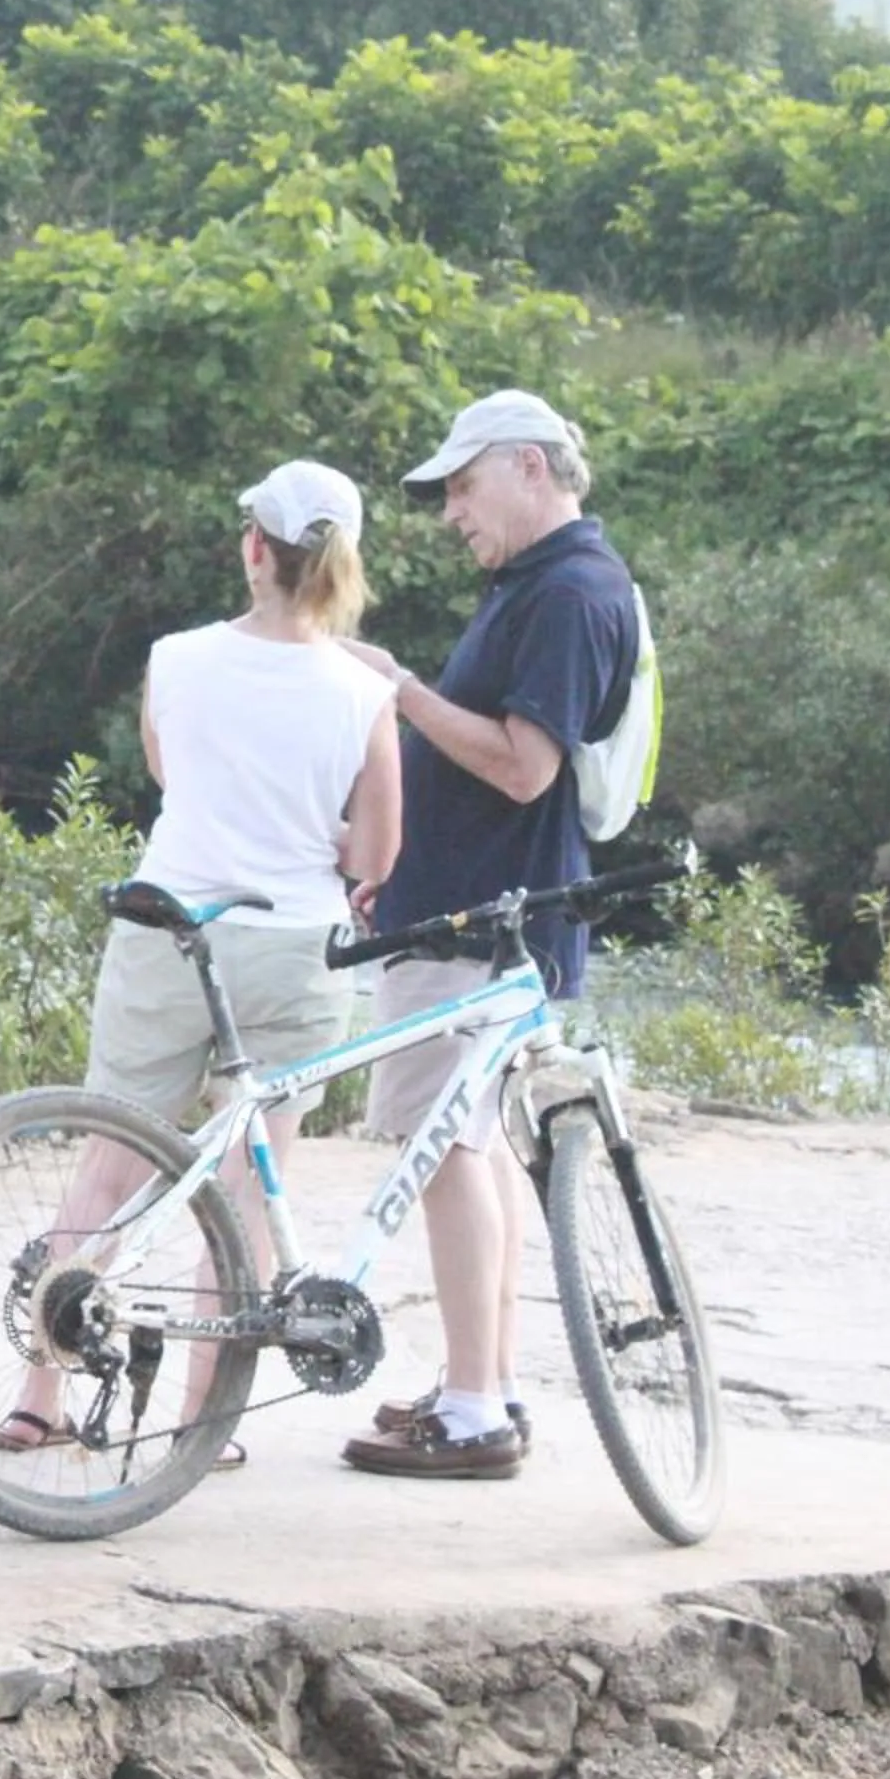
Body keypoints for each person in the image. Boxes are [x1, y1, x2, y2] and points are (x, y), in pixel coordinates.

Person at [0, 459, 401, 1457]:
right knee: (249, 1190)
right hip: (294, 948)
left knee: (104, 1163)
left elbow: (172, 771)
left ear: (254, 548)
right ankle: (201, 1426)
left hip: (169, 926)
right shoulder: (364, 689)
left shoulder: (174, 658)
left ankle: (37, 1397)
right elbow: (376, 854)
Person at [335, 389, 643, 1481]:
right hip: (477, 911)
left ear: (528, 465)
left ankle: (470, 1406)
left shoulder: (566, 592)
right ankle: (488, 1381)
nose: (451, 512)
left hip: (484, 923)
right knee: (474, 1150)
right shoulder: (541, 583)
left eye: (462, 486)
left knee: (446, 1148)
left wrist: (402, 688)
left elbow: (525, 764)